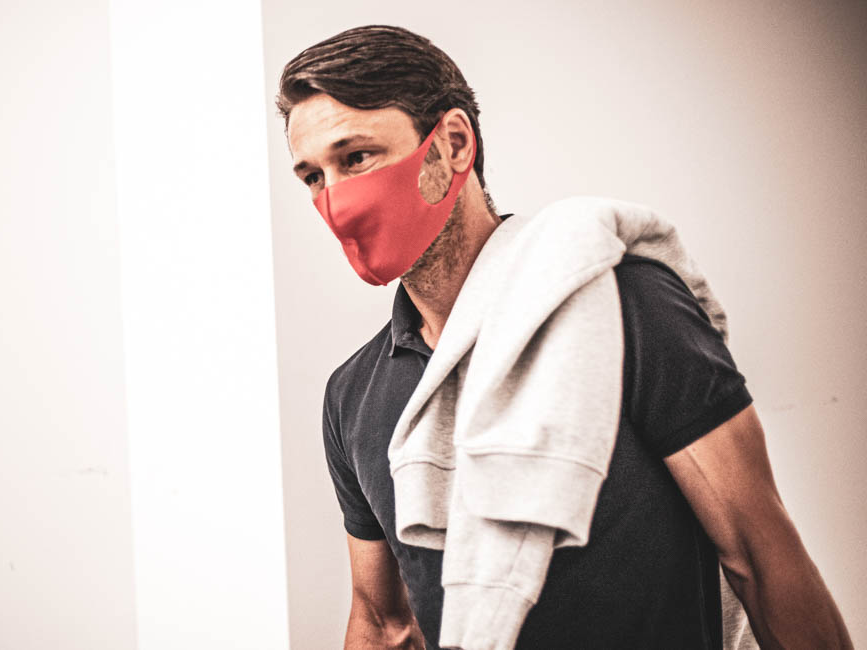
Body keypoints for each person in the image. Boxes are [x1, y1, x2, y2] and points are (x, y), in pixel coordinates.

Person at [276, 24, 853, 650]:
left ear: (453, 143)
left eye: (356, 157)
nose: (335, 200)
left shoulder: (623, 304)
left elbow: (761, 559)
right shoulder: (353, 395)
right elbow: (383, 622)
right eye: (313, 176)